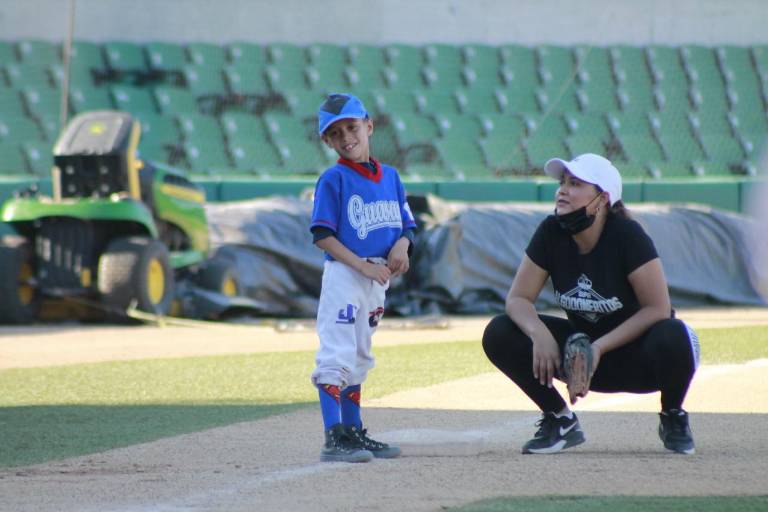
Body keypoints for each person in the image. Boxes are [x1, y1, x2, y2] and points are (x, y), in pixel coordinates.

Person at [482, 153, 700, 455]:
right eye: (562, 183)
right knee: (500, 332)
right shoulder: (551, 232)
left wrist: (598, 348)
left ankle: (673, 415)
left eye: (575, 184)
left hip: (639, 359)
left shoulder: (627, 236)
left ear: (602, 199)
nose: (562, 190)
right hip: (579, 360)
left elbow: (658, 308)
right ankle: (560, 420)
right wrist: (539, 333)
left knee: (674, 334)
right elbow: (518, 299)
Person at [310, 93, 417, 463]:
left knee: (359, 355)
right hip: (346, 275)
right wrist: (362, 266)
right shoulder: (333, 179)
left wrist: (403, 245)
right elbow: (322, 235)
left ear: (369, 126)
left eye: (351, 127)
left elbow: (407, 226)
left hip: (377, 278)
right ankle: (334, 437)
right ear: (327, 141)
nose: (346, 137)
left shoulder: (392, 177)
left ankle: (353, 431)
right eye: (335, 133)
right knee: (336, 353)